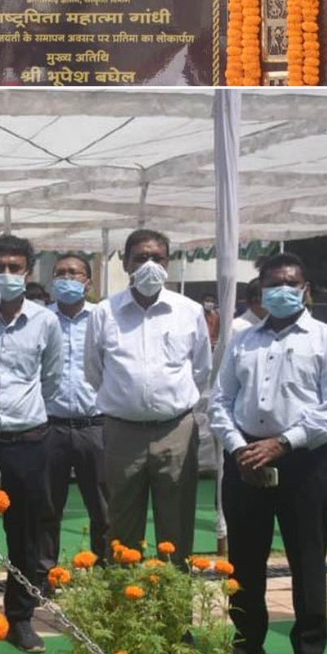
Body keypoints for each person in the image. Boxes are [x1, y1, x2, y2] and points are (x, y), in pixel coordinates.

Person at [209, 253, 327, 654]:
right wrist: (238, 449)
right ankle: (247, 639)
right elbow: (220, 402)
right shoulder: (243, 340)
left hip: (303, 460)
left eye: (292, 282)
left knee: (306, 557)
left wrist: (282, 443)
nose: (283, 289)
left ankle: (309, 649)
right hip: (245, 459)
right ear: (261, 291)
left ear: (305, 289)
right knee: (246, 558)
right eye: (273, 283)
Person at [84, 230, 210, 564]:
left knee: (177, 526)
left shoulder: (189, 310)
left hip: (176, 431)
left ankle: (172, 611)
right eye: (141, 258)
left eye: (158, 258)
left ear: (168, 263)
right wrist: (128, 400)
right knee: (122, 527)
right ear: (125, 263)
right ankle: (125, 610)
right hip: (122, 431)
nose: (150, 265)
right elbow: (94, 371)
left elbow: (201, 369)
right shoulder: (104, 313)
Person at [0, 236, 62, 654]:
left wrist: (26, 412)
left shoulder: (44, 321)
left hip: (29, 440)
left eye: (15, 267)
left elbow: (50, 377)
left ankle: (20, 618)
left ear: (28, 271)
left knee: (26, 534)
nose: (7, 275)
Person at [42, 254, 109, 571]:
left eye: (74, 273)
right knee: (47, 508)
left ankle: (105, 576)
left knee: (103, 508)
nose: (67, 278)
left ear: (88, 281)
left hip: (94, 426)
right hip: (49, 427)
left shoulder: (103, 318)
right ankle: (44, 579)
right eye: (60, 273)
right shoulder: (41, 319)